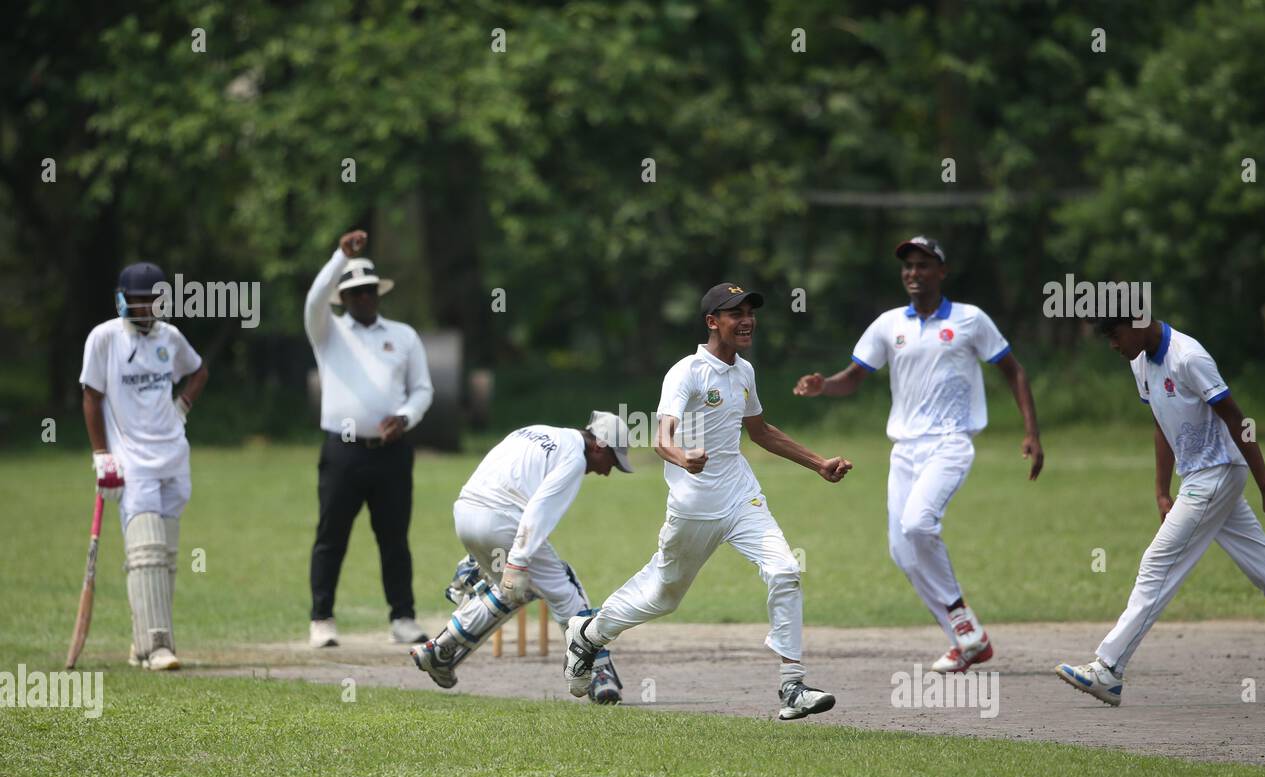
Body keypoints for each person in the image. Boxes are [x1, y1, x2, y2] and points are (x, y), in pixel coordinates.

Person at [563, 283, 853, 720]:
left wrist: (818, 463)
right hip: (694, 507)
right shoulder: (687, 373)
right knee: (663, 597)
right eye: (735, 312)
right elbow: (661, 437)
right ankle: (587, 637)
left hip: (741, 498)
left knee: (785, 570)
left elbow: (761, 432)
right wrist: (684, 458)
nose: (747, 319)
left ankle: (792, 685)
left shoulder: (744, 372)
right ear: (712, 322)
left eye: (750, 311)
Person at [794, 236, 1043, 673]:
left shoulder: (970, 320)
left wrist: (1031, 433)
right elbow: (854, 377)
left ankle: (962, 621)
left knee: (918, 524)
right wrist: (824, 386)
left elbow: (1013, 371)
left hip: (950, 443)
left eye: (923, 265)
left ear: (941, 272)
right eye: (908, 266)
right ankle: (967, 642)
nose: (913, 273)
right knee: (901, 550)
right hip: (904, 450)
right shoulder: (890, 324)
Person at [1055, 316, 1265, 705]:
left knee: (1157, 564)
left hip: (1216, 473)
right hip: (1200, 478)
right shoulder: (1140, 361)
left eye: (1114, 334)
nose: (1112, 345)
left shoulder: (1189, 358)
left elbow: (1238, 419)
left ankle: (1108, 668)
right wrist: (1161, 490)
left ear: (1138, 322)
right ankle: (1108, 669)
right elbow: (1160, 422)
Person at [411, 412, 632, 702]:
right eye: (612, 461)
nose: (608, 471)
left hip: (466, 512)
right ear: (599, 446)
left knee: (514, 590)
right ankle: (596, 672)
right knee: (565, 588)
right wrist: (518, 559)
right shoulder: (574, 458)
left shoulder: (537, 431)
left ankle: (440, 651)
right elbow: (539, 510)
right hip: (503, 521)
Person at [304, 230, 433, 648]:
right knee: (331, 536)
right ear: (343, 296)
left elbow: (423, 390)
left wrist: (406, 417)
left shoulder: (404, 335)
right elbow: (313, 299)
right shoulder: (328, 332)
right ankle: (321, 618)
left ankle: (403, 617)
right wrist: (340, 257)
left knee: (394, 537)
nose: (362, 298)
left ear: (378, 294)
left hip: (391, 452)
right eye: (353, 292)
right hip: (342, 450)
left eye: (367, 291)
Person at [79, 262, 209, 670]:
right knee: (147, 551)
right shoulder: (104, 338)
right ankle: (157, 647)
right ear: (122, 298)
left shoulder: (169, 337)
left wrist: (182, 405)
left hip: (174, 454)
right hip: (132, 460)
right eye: (140, 299)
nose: (147, 306)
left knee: (165, 556)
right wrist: (102, 454)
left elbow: (199, 370)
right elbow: (91, 396)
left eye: (154, 299)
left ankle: (142, 646)